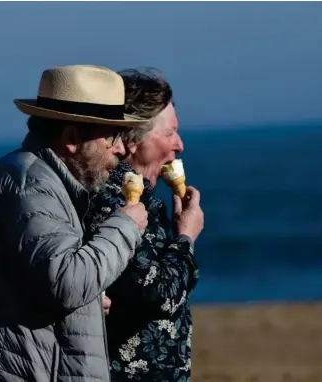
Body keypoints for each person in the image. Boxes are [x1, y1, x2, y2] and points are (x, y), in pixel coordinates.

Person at [0, 65, 150, 381]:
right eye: (112, 135)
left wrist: (85, 306)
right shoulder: (31, 183)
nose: (121, 148)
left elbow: (45, 282)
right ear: (72, 138)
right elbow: (67, 282)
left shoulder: (44, 181)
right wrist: (125, 226)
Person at [84, 68, 205, 381]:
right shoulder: (113, 202)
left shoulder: (147, 201)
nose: (179, 145)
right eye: (168, 134)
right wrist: (186, 238)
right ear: (132, 141)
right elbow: (160, 296)